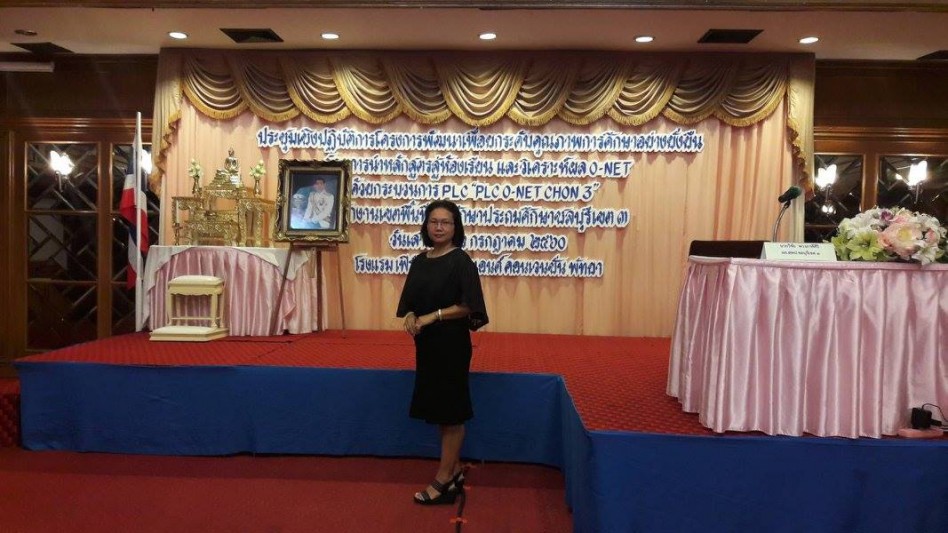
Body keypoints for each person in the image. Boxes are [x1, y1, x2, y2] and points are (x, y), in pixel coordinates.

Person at [396, 200, 488, 505]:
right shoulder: (420, 261)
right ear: (426, 225)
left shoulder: (461, 262)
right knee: (441, 412)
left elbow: (468, 306)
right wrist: (411, 316)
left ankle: (444, 478)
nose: (438, 227)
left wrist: (432, 316)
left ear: (455, 227)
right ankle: (455, 468)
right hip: (427, 347)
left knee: (452, 413)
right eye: (433, 221)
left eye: (445, 222)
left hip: (451, 346)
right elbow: (410, 303)